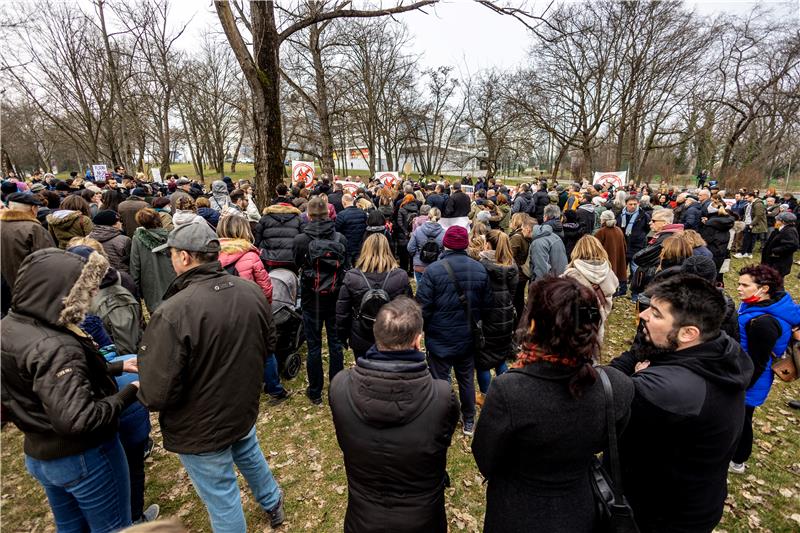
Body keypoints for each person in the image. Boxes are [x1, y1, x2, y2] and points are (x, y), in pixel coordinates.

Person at [137, 222, 285, 532]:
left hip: (202, 422)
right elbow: (268, 345)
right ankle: (272, 501)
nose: (171, 261)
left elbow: (156, 393)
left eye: (172, 255)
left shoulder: (173, 312)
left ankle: (272, 501)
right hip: (240, 405)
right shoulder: (250, 291)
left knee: (222, 495)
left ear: (186, 257)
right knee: (247, 450)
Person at [472, 277, 634, 533]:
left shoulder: (510, 391)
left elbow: (486, 456)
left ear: (534, 324)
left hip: (517, 509)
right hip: (580, 506)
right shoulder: (616, 387)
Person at [1, 248, 140, 531]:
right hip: (85, 456)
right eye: (85, 292)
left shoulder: (11, 328)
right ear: (65, 294)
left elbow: (40, 380)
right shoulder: (56, 347)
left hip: (40, 450)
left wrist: (115, 368)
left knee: (70, 527)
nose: (90, 299)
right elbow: (78, 419)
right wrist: (129, 392)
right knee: (113, 527)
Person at [609, 274, 754, 532]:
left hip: (659, 516)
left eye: (655, 313)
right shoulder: (719, 349)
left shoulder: (664, 392)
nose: (642, 316)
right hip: (699, 500)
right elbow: (634, 355)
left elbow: (604, 402)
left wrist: (638, 376)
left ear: (688, 333)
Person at [329, 297, 459, 533]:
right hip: (423, 521)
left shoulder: (340, 387)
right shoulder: (442, 397)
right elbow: (443, 439)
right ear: (418, 341)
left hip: (363, 520)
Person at [416, 225, 490, 436]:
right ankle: (468, 420)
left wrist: (422, 329)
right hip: (466, 336)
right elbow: (487, 304)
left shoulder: (433, 270)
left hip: (440, 336)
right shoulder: (479, 269)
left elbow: (422, 306)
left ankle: (447, 417)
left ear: (445, 244)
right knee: (466, 379)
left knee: (441, 381)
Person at [731, 265, 800, 474]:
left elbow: (758, 361)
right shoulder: (762, 306)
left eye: (745, 285)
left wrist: (743, 384)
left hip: (750, 378)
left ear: (764, 288)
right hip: (744, 372)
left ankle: (738, 460)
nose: (739, 288)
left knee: (742, 420)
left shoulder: (764, 322)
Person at [293, 197, 349, 404]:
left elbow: (297, 264)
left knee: (314, 346)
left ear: (308, 216)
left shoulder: (300, 240)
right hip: (335, 298)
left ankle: (315, 391)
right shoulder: (340, 238)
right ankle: (336, 390)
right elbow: (346, 266)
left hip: (310, 299)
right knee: (335, 345)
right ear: (328, 214)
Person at [336, 233, 412, 360]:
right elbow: (409, 311)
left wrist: (342, 336)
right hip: (392, 336)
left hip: (361, 336)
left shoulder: (352, 277)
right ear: (388, 250)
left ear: (365, 250)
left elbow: (342, 313)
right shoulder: (401, 276)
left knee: (364, 376)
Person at [475, 230, 518, 404]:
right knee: (500, 356)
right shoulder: (512, 266)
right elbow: (513, 293)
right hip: (506, 315)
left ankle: (485, 395)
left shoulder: (482, 265)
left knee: (484, 360)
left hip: (487, 316)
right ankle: (507, 392)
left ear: (488, 245)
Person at [563, 235, 619, 342]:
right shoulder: (608, 272)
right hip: (597, 321)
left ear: (577, 251)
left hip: (573, 324)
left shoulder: (570, 275)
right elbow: (612, 292)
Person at [0, 192, 54, 297]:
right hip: (34, 289)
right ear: (33, 208)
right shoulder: (33, 228)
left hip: (10, 288)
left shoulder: (2, 225)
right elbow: (50, 260)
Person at [130, 208, 175, 314]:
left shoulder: (137, 239)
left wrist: (137, 289)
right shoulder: (172, 236)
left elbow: (135, 265)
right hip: (173, 282)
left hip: (150, 286)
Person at [254, 201, 303, 270]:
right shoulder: (298, 219)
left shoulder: (265, 218)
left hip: (268, 257)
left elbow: (258, 238)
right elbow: (302, 238)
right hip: (292, 258)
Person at [528, 205, 568, 281]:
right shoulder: (559, 225)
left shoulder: (544, 229)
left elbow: (542, 266)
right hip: (559, 270)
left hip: (549, 276)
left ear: (546, 216)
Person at [407, 207, 445, 284]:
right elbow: (445, 250)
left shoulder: (418, 230)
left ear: (428, 215)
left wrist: (417, 255)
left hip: (419, 265)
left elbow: (410, 248)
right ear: (439, 217)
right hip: (436, 266)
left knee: (420, 291)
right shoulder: (444, 233)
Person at [595, 209, 627, 296]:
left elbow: (595, 249)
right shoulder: (619, 230)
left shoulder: (601, 232)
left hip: (605, 260)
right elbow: (624, 246)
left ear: (604, 220)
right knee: (616, 274)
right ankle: (616, 291)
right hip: (618, 257)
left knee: (608, 277)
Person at [618, 197, 650, 280]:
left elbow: (647, 228)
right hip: (623, 244)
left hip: (637, 245)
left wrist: (640, 236)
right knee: (621, 267)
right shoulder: (620, 215)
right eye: (630, 204)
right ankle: (622, 285)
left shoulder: (643, 215)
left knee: (635, 267)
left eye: (635, 204)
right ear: (626, 204)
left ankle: (635, 284)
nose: (633, 206)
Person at [508, 213, 533, 319]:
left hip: (517, 273)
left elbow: (510, 256)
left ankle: (517, 323)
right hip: (523, 273)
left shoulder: (517, 238)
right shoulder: (524, 236)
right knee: (519, 300)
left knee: (516, 300)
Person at [760, 212, 799, 277]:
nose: (776, 221)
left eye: (777, 220)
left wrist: (775, 251)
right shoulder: (781, 228)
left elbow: (792, 245)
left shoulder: (789, 231)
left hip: (779, 262)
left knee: (776, 282)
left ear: (783, 221)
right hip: (773, 261)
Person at [335, 193, 368, 265]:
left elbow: (337, 231)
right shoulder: (362, 213)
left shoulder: (341, 215)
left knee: (348, 268)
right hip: (360, 246)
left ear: (344, 202)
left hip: (347, 247)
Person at [736, 191, 767, 258]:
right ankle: (748, 252)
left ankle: (743, 253)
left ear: (752, 197)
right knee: (749, 238)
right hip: (748, 223)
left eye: (747, 198)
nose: (745, 199)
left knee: (748, 239)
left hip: (752, 224)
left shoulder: (758, 204)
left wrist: (751, 224)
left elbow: (759, 215)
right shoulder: (750, 203)